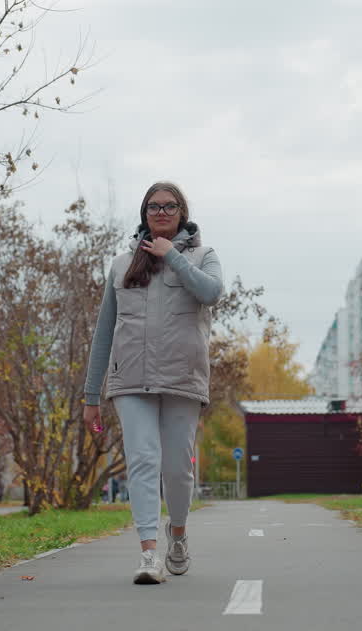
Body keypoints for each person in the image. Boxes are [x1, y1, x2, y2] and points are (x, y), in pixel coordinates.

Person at [82, 182, 223, 584]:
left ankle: (177, 534)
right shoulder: (121, 263)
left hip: (182, 378)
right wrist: (92, 395)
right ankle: (148, 555)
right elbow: (104, 332)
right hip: (131, 379)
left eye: (169, 206)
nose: (161, 212)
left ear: (182, 211)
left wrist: (173, 257)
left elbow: (212, 293)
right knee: (143, 462)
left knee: (177, 468)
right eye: (153, 207)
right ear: (144, 213)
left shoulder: (202, 255)